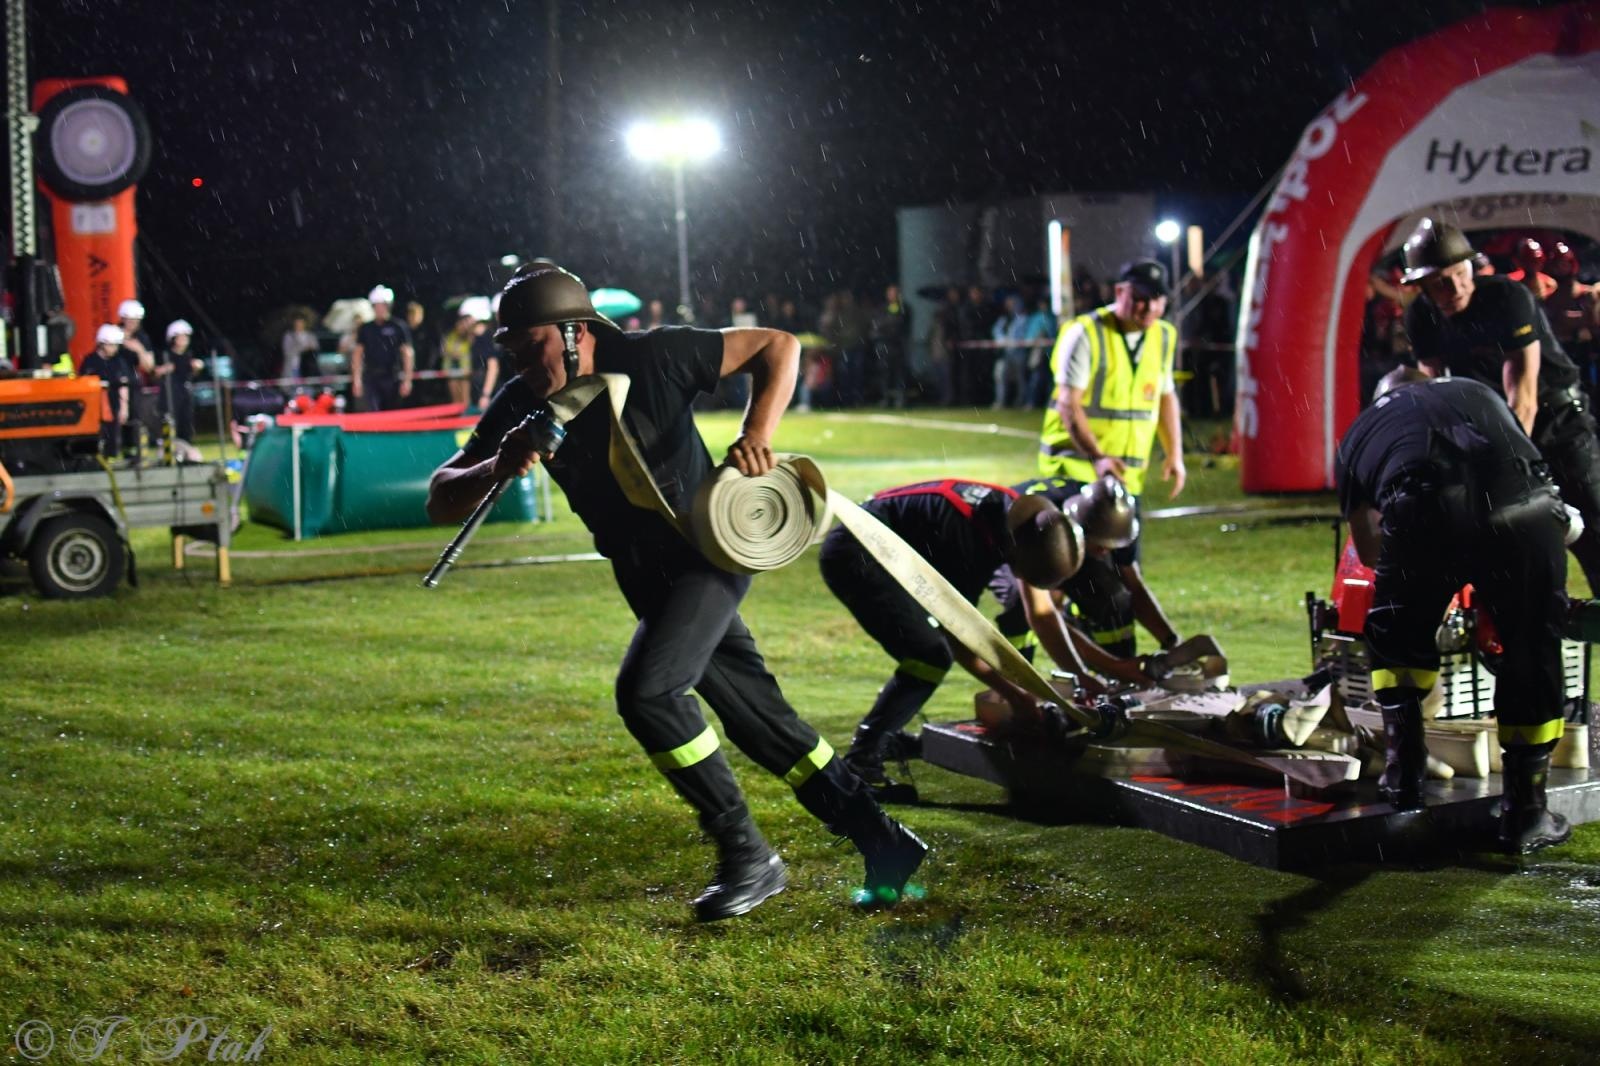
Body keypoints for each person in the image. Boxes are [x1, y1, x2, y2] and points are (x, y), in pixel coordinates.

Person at [426, 265, 926, 920]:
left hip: (706, 557)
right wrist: (500, 460)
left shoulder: (652, 354)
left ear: (578, 332)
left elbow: (778, 345)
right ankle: (885, 842)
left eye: (532, 343)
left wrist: (757, 435)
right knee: (763, 725)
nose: (521, 360)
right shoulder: (524, 403)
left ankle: (749, 857)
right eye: (512, 348)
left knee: (648, 694)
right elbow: (442, 496)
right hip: (644, 579)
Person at [1337, 368, 1572, 853]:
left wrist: (1429, 575)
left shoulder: (1360, 433)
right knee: (1532, 652)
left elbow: (1370, 548)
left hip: (1422, 503)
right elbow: (1510, 464)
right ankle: (1526, 813)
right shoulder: (1473, 389)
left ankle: (1404, 774)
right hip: (1527, 504)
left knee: (1396, 631)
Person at [818, 479, 1090, 801]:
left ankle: (885, 734)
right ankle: (862, 759)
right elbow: (959, 638)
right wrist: (1017, 698)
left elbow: (1042, 614)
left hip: (890, 548)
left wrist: (1082, 677)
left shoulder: (1018, 519)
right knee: (929, 655)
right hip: (856, 553)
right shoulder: (968, 541)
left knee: (927, 651)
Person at [1401, 218, 1600, 595]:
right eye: (1441, 281)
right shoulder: (1421, 318)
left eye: (1461, 273)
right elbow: (1436, 392)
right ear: (1422, 285)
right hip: (1492, 430)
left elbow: (1522, 394)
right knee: (1502, 538)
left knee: (1592, 526)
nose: (1456, 286)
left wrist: (1508, 467)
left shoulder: (1507, 298)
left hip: (1556, 422)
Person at [1039, 259, 1187, 505]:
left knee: (1123, 543)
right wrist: (1098, 457)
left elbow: (1165, 395)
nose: (1150, 307)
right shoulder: (1084, 332)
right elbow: (1068, 404)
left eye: (1159, 299)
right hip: (1076, 472)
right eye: (1141, 297)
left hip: (1126, 477)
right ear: (1120, 292)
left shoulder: (1163, 335)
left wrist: (1175, 453)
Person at [996, 475, 1180, 661]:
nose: (1104, 551)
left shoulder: (1116, 519)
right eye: (1099, 545)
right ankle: (1018, 677)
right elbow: (1042, 614)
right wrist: (1101, 671)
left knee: (1113, 597)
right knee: (1019, 608)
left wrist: (1172, 642)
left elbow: (1135, 587)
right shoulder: (1041, 522)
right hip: (1018, 544)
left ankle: (1122, 662)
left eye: (1110, 546)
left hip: (1071, 541)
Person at [350, 285, 414, 411]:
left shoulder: (398, 326)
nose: (379, 308)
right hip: (370, 377)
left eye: (382, 305)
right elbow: (357, 354)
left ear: (388, 306)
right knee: (373, 413)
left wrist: (407, 380)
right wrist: (356, 380)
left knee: (392, 413)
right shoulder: (366, 328)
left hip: (392, 377)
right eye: (376, 305)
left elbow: (408, 353)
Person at [78, 323, 133, 456]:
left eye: (116, 345)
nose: (114, 349)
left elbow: (123, 385)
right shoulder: (90, 361)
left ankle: (112, 455)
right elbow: (83, 383)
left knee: (112, 431)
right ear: (102, 344)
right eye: (111, 345)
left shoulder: (119, 362)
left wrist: (124, 408)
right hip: (94, 404)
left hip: (113, 402)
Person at [153, 319, 206, 449]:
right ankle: (168, 451)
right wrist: (164, 369)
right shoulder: (165, 355)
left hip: (185, 395)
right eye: (180, 337)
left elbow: (192, 375)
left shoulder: (189, 355)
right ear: (173, 339)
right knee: (170, 423)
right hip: (170, 395)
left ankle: (186, 451)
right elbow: (154, 373)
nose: (183, 340)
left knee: (186, 423)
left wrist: (197, 367)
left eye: (185, 337)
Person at [282, 315, 319, 380]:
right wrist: (303, 348)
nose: (299, 325)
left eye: (301, 323)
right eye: (297, 323)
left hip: (307, 367)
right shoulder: (289, 336)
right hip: (293, 366)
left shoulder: (310, 335)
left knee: (307, 385)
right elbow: (287, 351)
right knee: (294, 385)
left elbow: (316, 348)